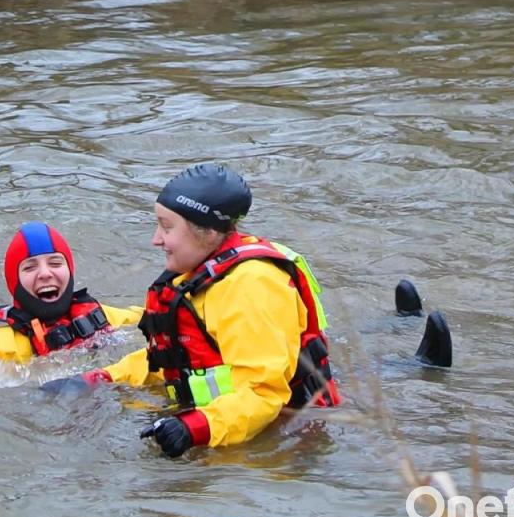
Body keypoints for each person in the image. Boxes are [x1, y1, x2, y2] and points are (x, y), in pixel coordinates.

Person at [27, 164, 343, 457]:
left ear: (208, 232)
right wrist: (99, 378)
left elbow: (264, 395)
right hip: (219, 423)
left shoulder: (252, 286)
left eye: (166, 227)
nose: (156, 239)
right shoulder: (198, 275)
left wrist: (193, 428)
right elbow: (169, 358)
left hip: (286, 440)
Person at [0, 222, 142, 384]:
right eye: (30, 267)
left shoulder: (103, 316)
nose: (45, 273)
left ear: (69, 271)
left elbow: (152, 318)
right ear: (14, 281)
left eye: (55, 263)